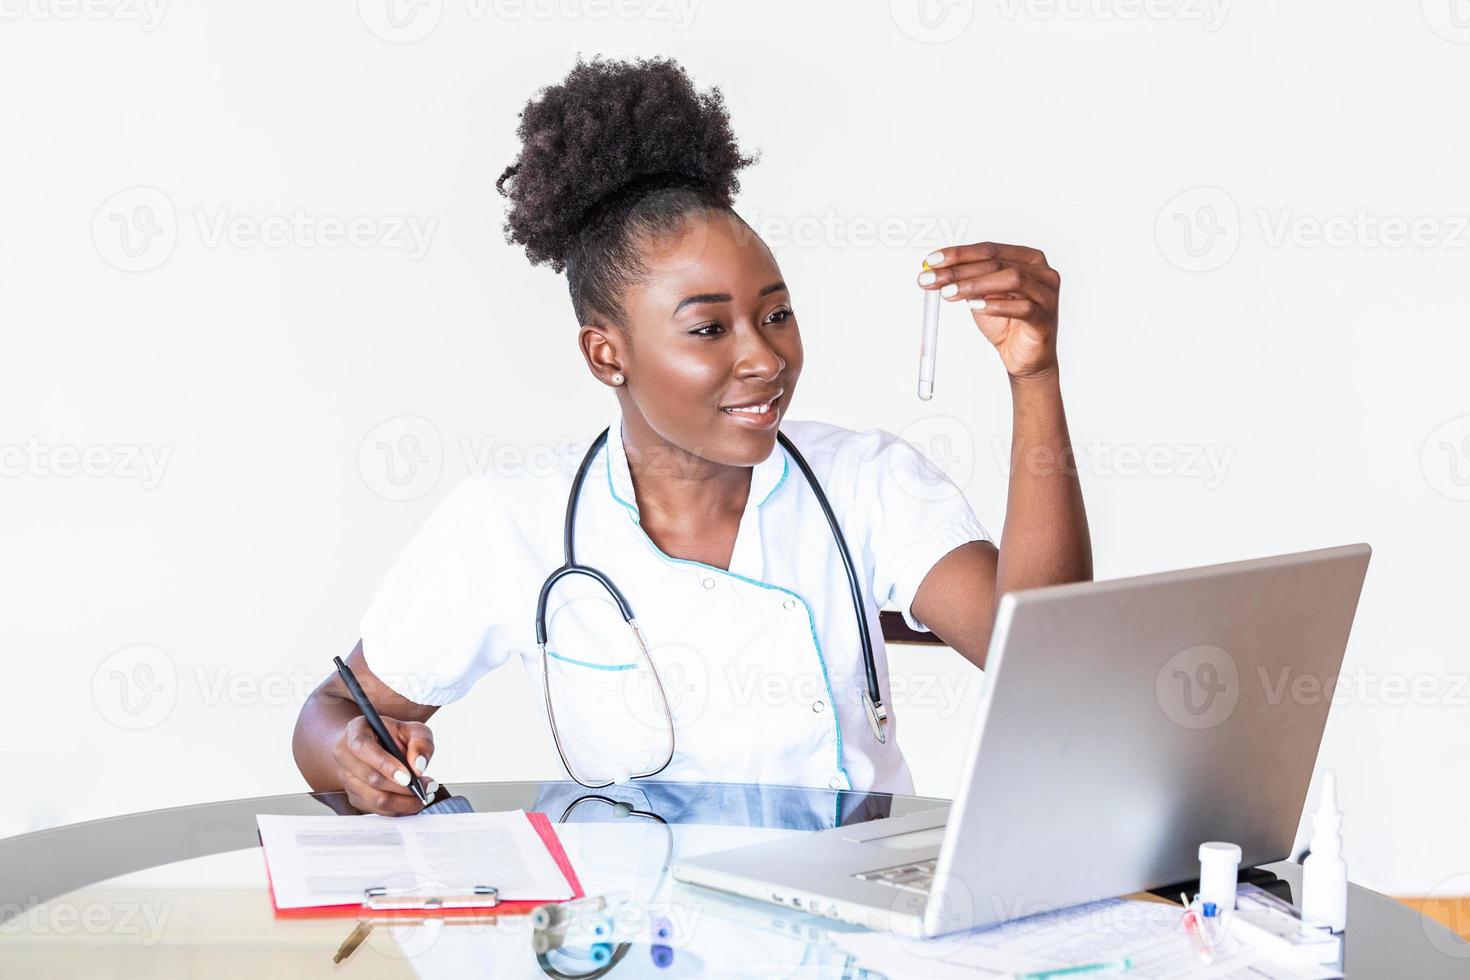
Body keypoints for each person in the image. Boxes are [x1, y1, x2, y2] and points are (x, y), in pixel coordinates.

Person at [292, 55, 1091, 816]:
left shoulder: (866, 482)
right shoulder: (513, 520)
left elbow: (1049, 669)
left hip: (847, 931)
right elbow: (329, 716)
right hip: (637, 935)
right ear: (608, 354)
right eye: (708, 328)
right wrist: (357, 759)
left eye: (776, 314)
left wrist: (1035, 377)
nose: (764, 356)